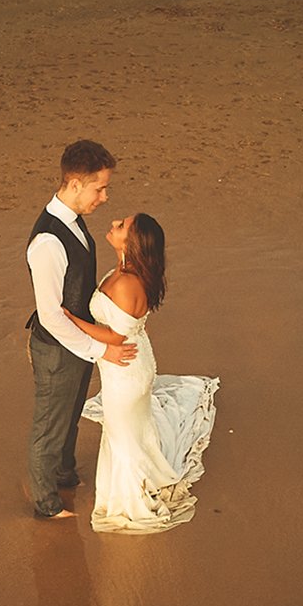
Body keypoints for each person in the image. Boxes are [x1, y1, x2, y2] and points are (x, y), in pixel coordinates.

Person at [66, 214, 220, 533]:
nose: (115, 221)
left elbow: (115, 338)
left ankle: (131, 497)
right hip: (128, 364)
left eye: (122, 225)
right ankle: (141, 475)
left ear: (131, 243)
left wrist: (67, 319)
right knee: (129, 431)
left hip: (126, 369)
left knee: (123, 435)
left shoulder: (126, 283)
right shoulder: (126, 271)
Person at [25, 140, 137, 520]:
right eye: (99, 188)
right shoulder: (46, 242)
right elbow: (51, 316)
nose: (104, 197)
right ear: (74, 185)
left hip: (78, 342)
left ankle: (65, 474)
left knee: (69, 413)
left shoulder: (74, 220)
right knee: (50, 424)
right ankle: (46, 503)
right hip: (57, 348)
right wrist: (101, 350)